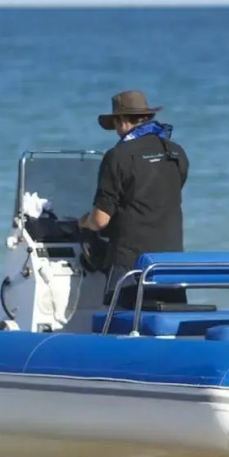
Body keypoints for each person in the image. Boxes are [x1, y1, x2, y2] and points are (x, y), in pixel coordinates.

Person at [78, 90, 189, 307]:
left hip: (131, 266)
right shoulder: (176, 152)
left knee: (120, 325)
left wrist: (83, 223)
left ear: (120, 121)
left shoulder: (118, 156)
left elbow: (101, 220)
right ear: (147, 117)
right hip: (171, 264)